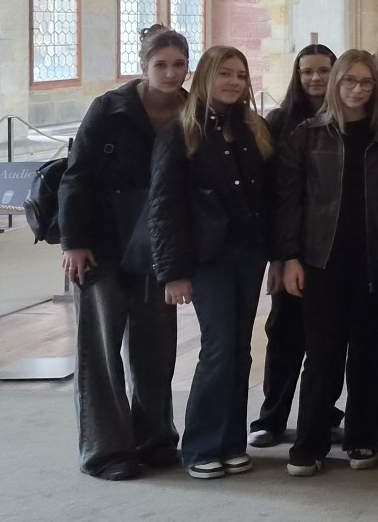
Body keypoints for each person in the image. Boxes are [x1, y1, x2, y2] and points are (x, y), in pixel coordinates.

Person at [61, 26, 190, 480]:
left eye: (179, 64)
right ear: (143, 66)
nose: (170, 73)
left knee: (156, 346)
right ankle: (106, 451)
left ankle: (155, 438)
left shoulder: (193, 111)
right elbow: (76, 175)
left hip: (157, 245)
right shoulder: (109, 108)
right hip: (102, 244)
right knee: (101, 347)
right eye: (161, 64)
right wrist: (74, 242)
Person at [271, 50, 378, 477]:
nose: (357, 90)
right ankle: (309, 442)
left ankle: (362, 437)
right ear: (336, 83)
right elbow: (289, 202)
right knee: (322, 356)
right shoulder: (307, 135)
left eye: (366, 82)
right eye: (350, 81)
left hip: (373, 262)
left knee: (369, 356)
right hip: (320, 260)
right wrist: (290, 257)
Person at [145, 45, 275, 479]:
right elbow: (165, 207)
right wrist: (173, 272)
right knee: (218, 348)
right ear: (205, 77)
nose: (234, 82)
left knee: (240, 349)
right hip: (207, 257)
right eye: (224, 74)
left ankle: (231, 442)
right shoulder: (181, 132)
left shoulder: (252, 129)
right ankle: (201, 445)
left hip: (248, 253)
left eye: (240, 75)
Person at [252, 44, 339, 450]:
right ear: (297, 75)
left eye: (324, 71)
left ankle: (322, 413)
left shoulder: (348, 117)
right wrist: (279, 256)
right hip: (293, 245)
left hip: (332, 246)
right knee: (285, 335)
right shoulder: (279, 120)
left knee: (327, 340)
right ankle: (272, 417)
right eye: (307, 71)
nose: (316, 78)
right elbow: (272, 194)